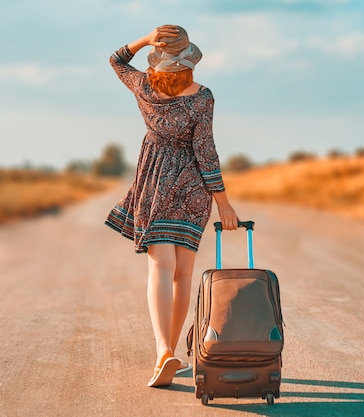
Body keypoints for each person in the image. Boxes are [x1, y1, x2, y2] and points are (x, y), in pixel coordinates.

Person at [104, 25, 239, 388]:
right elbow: (205, 152)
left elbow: (116, 59)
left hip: (155, 180)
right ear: (189, 61)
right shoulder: (202, 98)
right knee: (182, 273)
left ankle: (164, 351)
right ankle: (171, 352)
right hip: (193, 188)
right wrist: (223, 203)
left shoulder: (144, 87)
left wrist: (145, 39)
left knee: (160, 269)